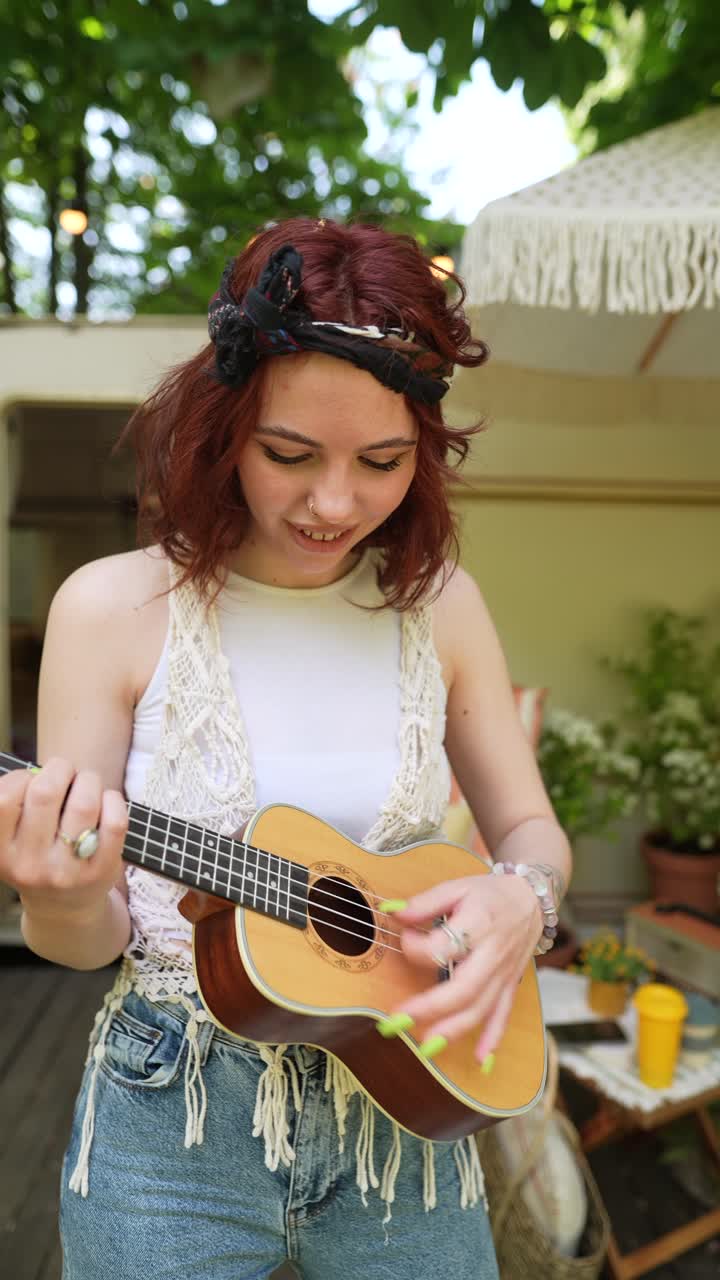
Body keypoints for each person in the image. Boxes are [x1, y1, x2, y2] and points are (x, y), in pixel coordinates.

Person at [0, 217, 572, 1280]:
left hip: (412, 1096)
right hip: (171, 1112)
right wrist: (62, 894)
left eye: (384, 460)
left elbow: (530, 828)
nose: (334, 501)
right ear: (223, 431)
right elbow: (83, 941)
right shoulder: (112, 609)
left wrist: (522, 897)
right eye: (289, 453)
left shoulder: (441, 608)